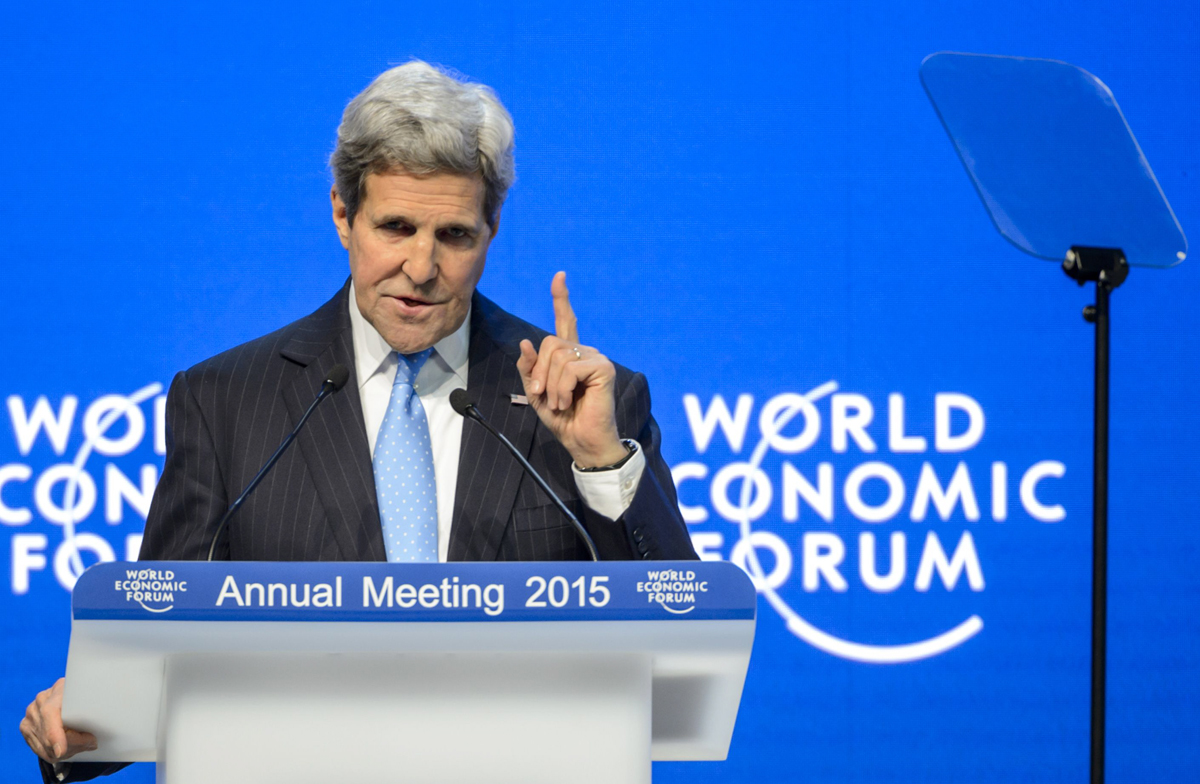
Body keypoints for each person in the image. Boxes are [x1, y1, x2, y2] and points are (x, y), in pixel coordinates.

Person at [21, 60, 696, 781]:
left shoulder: (589, 400)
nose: (420, 265)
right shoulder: (224, 400)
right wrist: (84, 728)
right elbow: (157, 655)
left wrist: (599, 461)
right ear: (341, 213)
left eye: (455, 236)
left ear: (492, 230)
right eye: (395, 227)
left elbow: (678, 649)